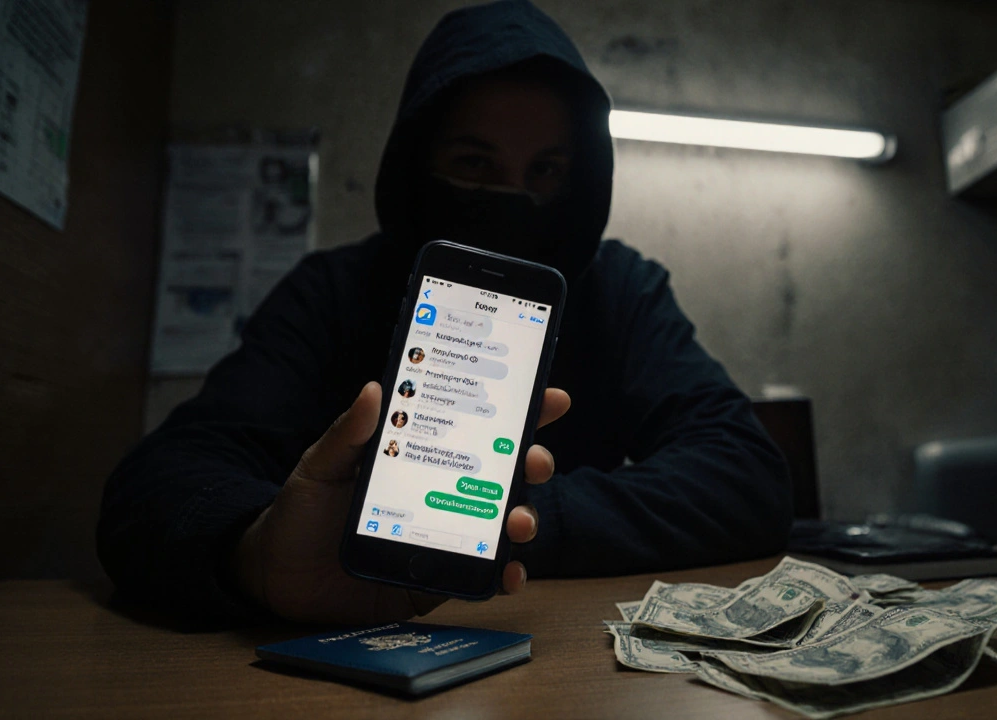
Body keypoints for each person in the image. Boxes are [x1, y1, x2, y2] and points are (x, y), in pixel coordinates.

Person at [97, 0, 790, 625]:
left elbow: (743, 474)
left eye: (546, 171)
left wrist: (489, 522)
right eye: (474, 162)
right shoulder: (332, 292)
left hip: (559, 653)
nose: (512, 199)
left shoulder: (621, 288)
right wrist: (262, 551)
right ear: (416, 163)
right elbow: (160, 484)